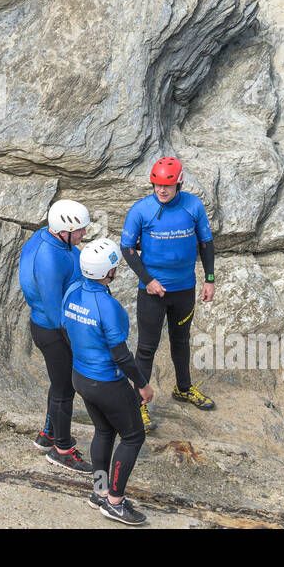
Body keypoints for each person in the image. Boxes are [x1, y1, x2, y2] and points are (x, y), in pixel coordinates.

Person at [120, 156, 217, 431]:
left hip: (184, 289)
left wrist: (209, 280)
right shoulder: (141, 210)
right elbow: (127, 248)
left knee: (181, 341)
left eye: (168, 185)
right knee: (146, 349)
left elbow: (206, 243)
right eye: (157, 185)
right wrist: (147, 280)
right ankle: (138, 406)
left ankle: (183, 389)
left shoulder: (193, 206)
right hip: (152, 292)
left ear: (179, 183)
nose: (162, 190)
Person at [62, 237, 154, 525]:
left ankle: (99, 491)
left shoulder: (72, 290)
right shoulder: (108, 306)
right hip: (106, 382)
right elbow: (122, 356)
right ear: (108, 272)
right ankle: (114, 501)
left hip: (81, 376)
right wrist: (142, 384)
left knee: (103, 432)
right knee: (133, 436)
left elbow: (66, 329)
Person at [17, 199, 94, 474]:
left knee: (59, 383)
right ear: (65, 230)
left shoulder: (47, 237)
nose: (84, 235)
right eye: (80, 231)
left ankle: (47, 434)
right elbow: (54, 312)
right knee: (64, 389)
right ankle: (62, 450)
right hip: (52, 330)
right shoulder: (49, 259)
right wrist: (80, 343)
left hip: (48, 326)